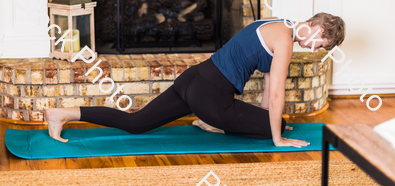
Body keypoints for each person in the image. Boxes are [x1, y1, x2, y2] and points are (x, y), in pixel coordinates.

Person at [46, 12, 345, 148]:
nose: (316, 49)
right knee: (275, 125)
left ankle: (62, 113)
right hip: (211, 97)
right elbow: (278, 93)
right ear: (320, 33)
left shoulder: (276, 23)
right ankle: (209, 120)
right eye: (322, 45)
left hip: (192, 80)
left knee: (135, 123)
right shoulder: (286, 41)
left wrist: (266, 119)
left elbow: (268, 89)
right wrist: (276, 136)